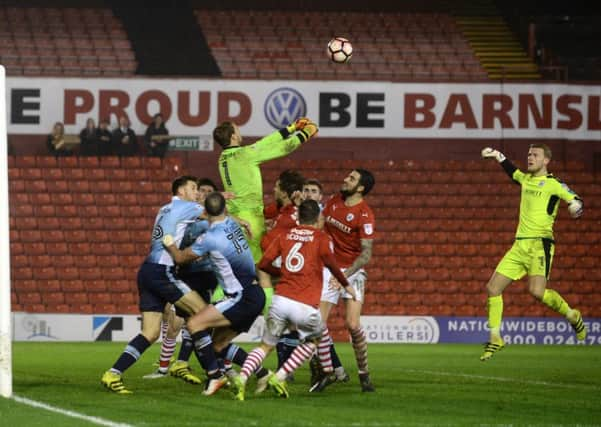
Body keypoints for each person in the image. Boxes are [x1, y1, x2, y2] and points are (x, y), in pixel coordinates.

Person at [230, 199, 357, 400]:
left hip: (280, 301)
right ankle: (279, 376)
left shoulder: (284, 235)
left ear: (298, 217)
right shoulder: (321, 238)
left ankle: (242, 378)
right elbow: (332, 265)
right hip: (305, 304)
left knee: (265, 346)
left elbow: (263, 264)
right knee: (314, 339)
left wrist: (281, 271)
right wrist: (346, 284)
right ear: (318, 218)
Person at [101, 176, 210, 394]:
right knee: (203, 313)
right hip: (162, 271)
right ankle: (215, 373)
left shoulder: (164, 209)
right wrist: (236, 216)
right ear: (181, 190)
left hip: (147, 271)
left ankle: (113, 373)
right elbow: (214, 215)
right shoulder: (188, 206)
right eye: (193, 188)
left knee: (150, 333)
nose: (197, 192)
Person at [479, 145, 586, 361]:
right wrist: (498, 156)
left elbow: (576, 199)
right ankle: (496, 337)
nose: (530, 158)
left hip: (540, 244)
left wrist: (575, 205)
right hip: (519, 245)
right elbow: (512, 172)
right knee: (492, 288)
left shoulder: (554, 184)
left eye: (535, 155)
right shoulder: (526, 180)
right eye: (528, 154)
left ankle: (572, 315)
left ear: (546, 160)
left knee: (537, 292)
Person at [162, 192, 267, 396]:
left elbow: (182, 258)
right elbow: (220, 214)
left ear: (205, 211)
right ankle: (263, 373)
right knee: (218, 344)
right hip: (256, 294)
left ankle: (214, 376)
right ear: (224, 209)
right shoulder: (233, 224)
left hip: (240, 296)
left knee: (194, 324)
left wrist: (170, 245)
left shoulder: (209, 238)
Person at [213, 118, 318, 314]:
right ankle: (271, 316)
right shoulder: (244, 155)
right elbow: (281, 149)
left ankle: (214, 307)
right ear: (234, 136)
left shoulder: (224, 159)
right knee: (262, 272)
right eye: (237, 128)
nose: (240, 129)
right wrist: (305, 134)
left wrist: (292, 128)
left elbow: (264, 143)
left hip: (232, 217)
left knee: (231, 268)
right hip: (249, 219)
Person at [315, 169, 376, 393]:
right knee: (317, 324)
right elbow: (319, 228)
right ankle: (330, 371)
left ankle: (364, 373)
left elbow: (366, 255)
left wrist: (344, 277)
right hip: (329, 269)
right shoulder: (333, 201)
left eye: (351, 178)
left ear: (360, 188)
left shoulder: (365, 214)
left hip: (352, 272)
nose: (345, 179)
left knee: (352, 324)